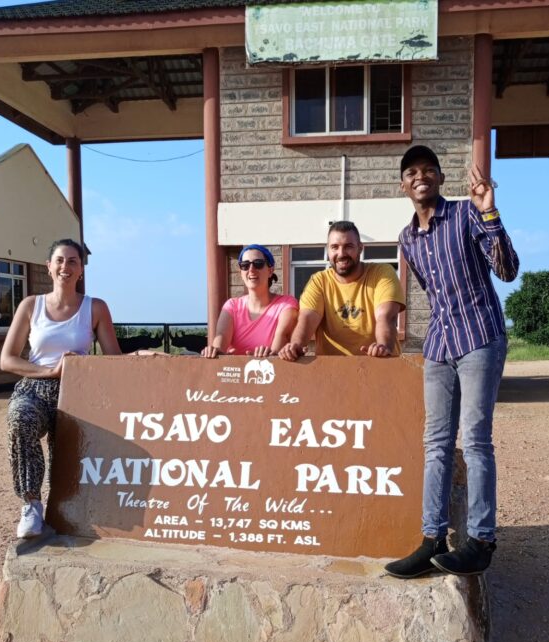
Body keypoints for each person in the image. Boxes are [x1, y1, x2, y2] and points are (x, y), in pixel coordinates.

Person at [385, 145, 519, 579]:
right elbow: (430, 290)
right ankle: (432, 540)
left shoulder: (465, 215)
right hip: (440, 345)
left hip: (480, 336)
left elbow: (507, 270)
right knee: (436, 443)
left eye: (428, 170)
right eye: (411, 172)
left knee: (477, 439)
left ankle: (481, 540)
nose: (420, 177)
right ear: (403, 185)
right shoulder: (407, 239)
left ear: (440, 179)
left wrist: (490, 212)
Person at [0, 238, 121, 539]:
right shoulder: (31, 306)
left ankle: (68, 508)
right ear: (49, 267)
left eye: (73, 261)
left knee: (68, 451)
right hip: (35, 388)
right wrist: (48, 371)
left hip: (77, 391)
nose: (65, 266)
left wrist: (143, 355)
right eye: (60, 260)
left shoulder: (95, 308)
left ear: (81, 270)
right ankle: (30, 503)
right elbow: (7, 359)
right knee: (20, 419)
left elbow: (114, 359)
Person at [278, 221, 405, 360]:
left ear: (360, 248)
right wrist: (295, 346)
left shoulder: (382, 273)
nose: (341, 253)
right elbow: (307, 319)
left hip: (376, 365)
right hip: (333, 372)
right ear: (328, 250)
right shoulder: (319, 281)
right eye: (334, 247)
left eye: (348, 246)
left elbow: (386, 317)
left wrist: (383, 346)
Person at [202, 244, 298, 358]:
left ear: (270, 270)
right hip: (236, 374)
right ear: (241, 272)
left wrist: (267, 357)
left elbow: (282, 339)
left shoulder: (286, 305)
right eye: (245, 265)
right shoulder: (232, 306)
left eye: (258, 264)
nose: (251, 270)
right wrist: (214, 351)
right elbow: (221, 338)